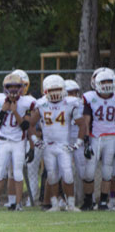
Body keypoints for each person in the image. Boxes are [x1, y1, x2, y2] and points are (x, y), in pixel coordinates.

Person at [30, 75, 85, 212]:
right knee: (52, 175)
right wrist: (35, 141)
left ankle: (71, 204)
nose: (55, 93)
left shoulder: (70, 103)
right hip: (48, 145)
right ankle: (54, 205)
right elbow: (30, 124)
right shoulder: (41, 104)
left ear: (63, 90)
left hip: (63, 145)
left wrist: (78, 142)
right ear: (45, 91)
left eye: (57, 89)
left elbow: (82, 124)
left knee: (67, 174)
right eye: (52, 90)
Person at [0, 73, 35, 211]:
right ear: (5, 88)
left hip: (18, 143)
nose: (14, 89)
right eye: (11, 86)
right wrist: (3, 111)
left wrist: (14, 112)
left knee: (17, 173)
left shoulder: (26, 102)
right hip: (2, 142)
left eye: (16, 86)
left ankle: (18, 203)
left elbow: (26, 126)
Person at [81, 67, 115, 210]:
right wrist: (86, 140)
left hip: (112, 137)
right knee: (89, 171)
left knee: (107, 171)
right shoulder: (90, 97)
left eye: (109, 81)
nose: (107, 84)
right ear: (96, 83)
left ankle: (103, 201)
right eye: (104, 81)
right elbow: (86, 121)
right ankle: (89, 201)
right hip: (95, 138)